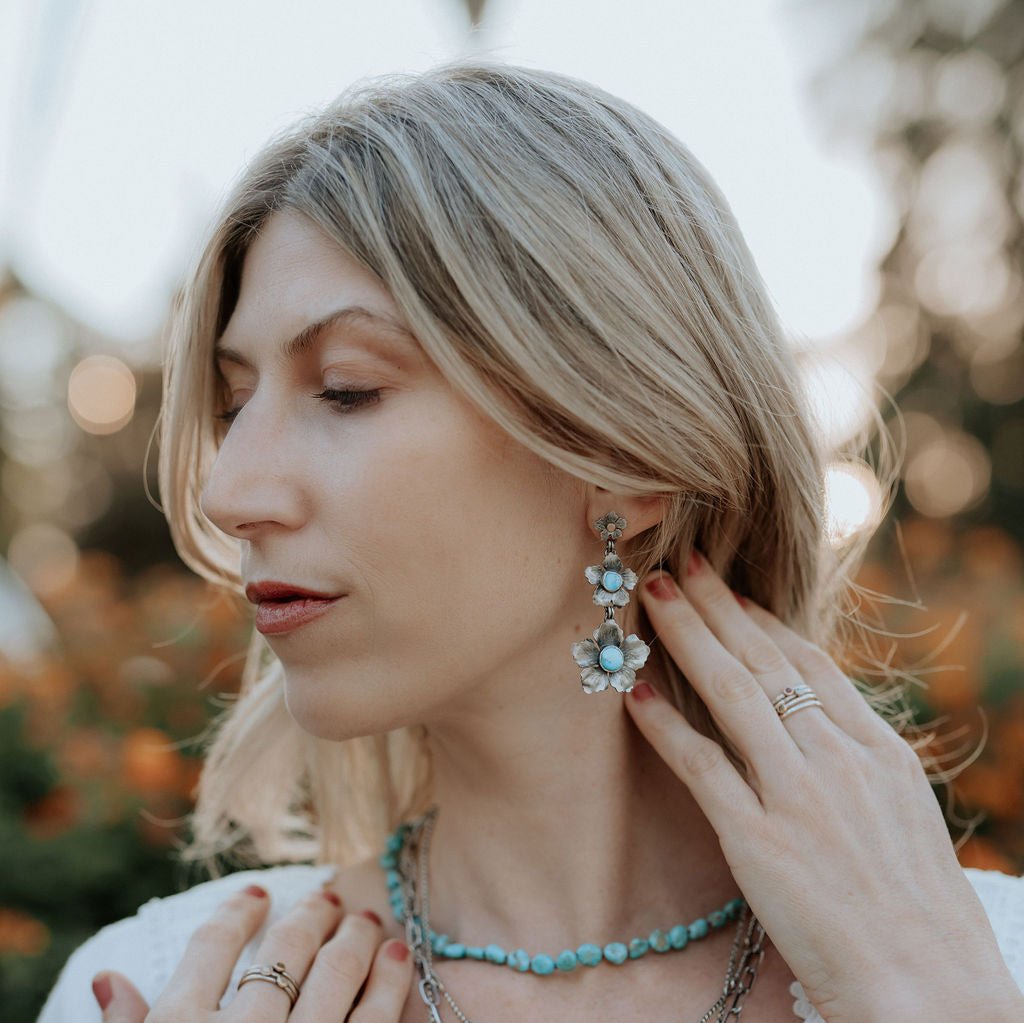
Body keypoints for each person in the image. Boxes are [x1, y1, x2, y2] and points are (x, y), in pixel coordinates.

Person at [37, 59, 1024, 1023]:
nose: (226, 492)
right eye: (235, 404)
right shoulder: (164, 984)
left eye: (346, 389)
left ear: (615, 455)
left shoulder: (984, 966)